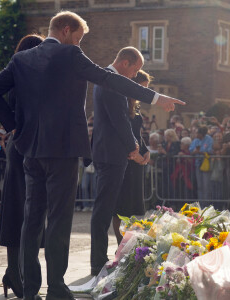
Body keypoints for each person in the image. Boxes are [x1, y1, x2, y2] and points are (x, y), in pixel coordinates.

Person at [0, 11, 185, 300]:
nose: (78, 42)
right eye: (78, 37)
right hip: (64, 149)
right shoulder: (71, 55)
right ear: (67, 31)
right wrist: (156, 97)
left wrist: (15, 126)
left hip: (30, 149)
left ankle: (31, 288)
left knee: (32, 219)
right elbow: (109, 79)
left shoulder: (21, 59)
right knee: (58, 220)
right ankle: (56, 286)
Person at [91, 47, 150, 275]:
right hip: (111, 153)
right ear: (125, 63)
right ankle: (97, 262)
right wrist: (133, 148)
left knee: (107, 209)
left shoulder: (109, 78)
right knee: (104, 210)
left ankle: (101, 259)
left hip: (110, 151)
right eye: (135, 70)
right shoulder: (112, 81)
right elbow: (119, 119)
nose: (135, 76)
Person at [0, 34, 45, 299]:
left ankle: (16, 272)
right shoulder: (20, 72)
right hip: (21, 146)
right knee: (19, 212)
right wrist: (12, 125)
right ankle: (16, 275)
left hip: (28, 145)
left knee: (30, 213)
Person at [112, 70, 152, 245]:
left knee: (133, 205)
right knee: (120, 205)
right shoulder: (120, 102)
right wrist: (134, 155)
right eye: (141, 88)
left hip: (137, 162)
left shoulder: (135, 106)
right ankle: (121, 243)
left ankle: (130, 242)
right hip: (126, 160)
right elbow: (122, 132)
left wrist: (145, 150)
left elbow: (137, 133)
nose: (142, 93)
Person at [189, 126, 213, 207]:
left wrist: (200, 152)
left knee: (206, 186)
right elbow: (191, 150)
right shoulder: (195, 140)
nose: (195, 134)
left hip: (206, 165)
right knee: (199, 186)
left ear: (201, 134)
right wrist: (195, 152)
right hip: (197, 164)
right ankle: (201, 205)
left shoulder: (209, 139)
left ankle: (207, 205)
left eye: (197, 133)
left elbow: (210, 151)